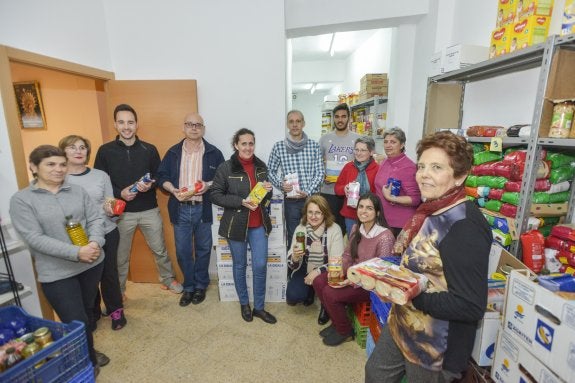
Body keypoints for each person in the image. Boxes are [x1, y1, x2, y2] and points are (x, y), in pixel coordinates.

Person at [365, 131, 491, 383]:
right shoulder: (431, 210)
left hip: (433, 346)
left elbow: (470, 304)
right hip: (403, 323)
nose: (424, 174)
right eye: (421, 166)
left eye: (436, 167)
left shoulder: (465, 225)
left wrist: (412, 294)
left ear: (460, 175)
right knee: (376, 372)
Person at [9, 145, 109, 375]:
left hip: (91, 263)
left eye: (62, 164)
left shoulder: (77, 191)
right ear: (34, 167)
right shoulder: (22, 200)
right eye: (50, 164)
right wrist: (76, 253)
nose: (58, 169)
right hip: (57, 273)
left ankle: (87, 351)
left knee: (86, 314)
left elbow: (95, 219)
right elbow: (34, 238)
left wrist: (94, 243)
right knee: (74, 319)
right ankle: (87, 364)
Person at [94, 104, 182, 296]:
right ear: (115, 125)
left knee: (160, 250)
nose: (127, 127)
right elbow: (99, 184)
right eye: (122, 122)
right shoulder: (105, 151)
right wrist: (120, 193)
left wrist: (148, 185)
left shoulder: (149, 149)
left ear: (137, 124)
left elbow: (159, 177)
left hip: (149, 209)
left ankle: (168, 279)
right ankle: (120, 291)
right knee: (120, 256)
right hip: (120, 214)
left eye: (131, 122)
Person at [59, 135, 127, 331]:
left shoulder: (100, 175)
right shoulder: (59, 178)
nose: (79, 151)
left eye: (82, 147)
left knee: (109, 273)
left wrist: (113, 209)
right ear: (64, 152)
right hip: (77, 237)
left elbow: (109, 200)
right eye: (73, 147)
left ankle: (116, 311)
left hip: (107, 231)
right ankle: (93, 312)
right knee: (87, 276)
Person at [157, 113, 224, 307]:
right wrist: (172, 189)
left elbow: (222, 179)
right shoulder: (173, 152)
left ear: (203, 128)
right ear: (183, 127)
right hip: (180, 208)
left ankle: (201, 285)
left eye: (198, 125)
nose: (194, 128)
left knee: (203, 249)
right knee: (183, 251)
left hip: (203, 208)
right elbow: (161, 177)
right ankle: (188, 287)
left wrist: (208, 185)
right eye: (190, 124)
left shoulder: (214, 153)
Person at [211, 128, 277, 324]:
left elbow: (267, 197)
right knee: (240, 265)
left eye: (251, 143)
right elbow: (215, 195)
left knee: (260, 265)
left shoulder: (261, 166)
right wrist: (240, 201)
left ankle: (259, 308)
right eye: (244, 143)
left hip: (258, 224)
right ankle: (244, 304)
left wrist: (269, 191)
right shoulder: (225, 168)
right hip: (235, 225)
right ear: (236, 145)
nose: (248, 147)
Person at [313, 192, 394, 346]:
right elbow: (348, 255)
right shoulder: (357, 228)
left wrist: (352, 281)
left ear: (377, 213)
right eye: (361, 207)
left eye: (369, 208)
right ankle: (337, 323)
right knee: (319, 281)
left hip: (370, 284)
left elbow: (381, 273)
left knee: (330, 293)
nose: (363, 211)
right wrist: (340, 271)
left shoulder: (385, 237)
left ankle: (345, 331)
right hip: (353, 275)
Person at [267, 110, 324, 248]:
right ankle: (295, 268)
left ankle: (313, 268)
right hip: (291, 202)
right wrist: (281, 184)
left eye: (298, 121)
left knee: (314, 237)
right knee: (294, 238)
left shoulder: (314, 146)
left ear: (303, 123)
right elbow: (269, 171)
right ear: (287, 124)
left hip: (312, 200)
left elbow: (320, 173)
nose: (295, 125)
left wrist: (308, 192)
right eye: (291, 122)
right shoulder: (279, 147)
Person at [286, 195, 344, 322]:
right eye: (310, 212)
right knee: (292, 296)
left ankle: (326, 305)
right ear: (306, 213)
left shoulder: (334, 229)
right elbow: (291, 263)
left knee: (324, 279)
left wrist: (317, 271)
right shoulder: (300, 228)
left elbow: (336, 263)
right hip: (304, 266)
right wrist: (295, 257)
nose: (313, 216)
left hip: (327, 270)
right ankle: (310, 290)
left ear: (325, 213)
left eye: (318, 213)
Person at [319, 103, 361, 235]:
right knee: (330, 229)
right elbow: (317, 163)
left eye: (343, 116)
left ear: (349, 118)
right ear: (333, 119)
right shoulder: (324, 139)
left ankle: (347, 255)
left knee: (350, 230)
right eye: (337, 117)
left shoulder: (357, 139)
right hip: (329, 191)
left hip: (351, 193)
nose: (340, 119)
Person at [374, 127, 421, 237]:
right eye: (385, 142)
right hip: (382, 220)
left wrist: (391, 198)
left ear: (402, 145)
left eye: (393, 142)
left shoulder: (408, 167)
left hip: (399, 224)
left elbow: (415, 199)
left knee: (392, 254)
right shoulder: (385, 162)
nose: (388, 145)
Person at [335, 136, 379, 235]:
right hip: (350, 215)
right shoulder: (348, 167)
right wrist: (344, 189)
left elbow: (378, 194)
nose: (358, 153)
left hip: (369, 215)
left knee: (367, 245)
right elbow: (337, 188)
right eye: (357, 149)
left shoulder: (377, 169)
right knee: (352, 244)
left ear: (371, 152)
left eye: (363, 150)